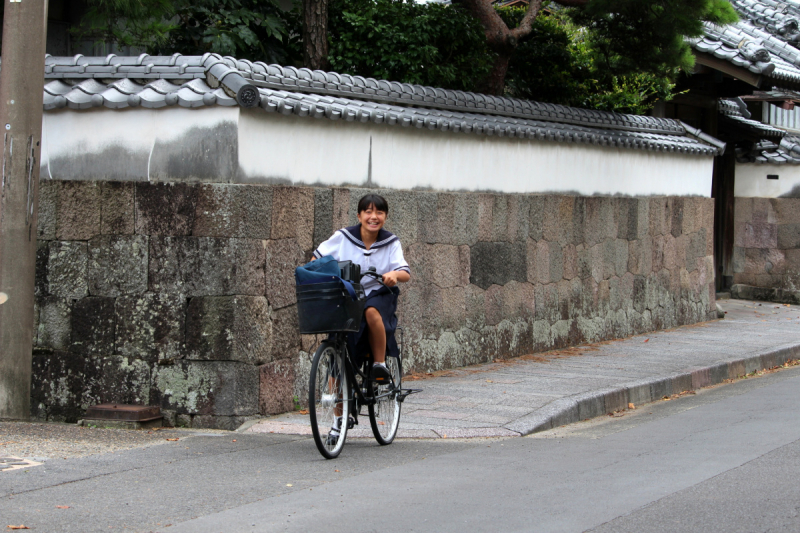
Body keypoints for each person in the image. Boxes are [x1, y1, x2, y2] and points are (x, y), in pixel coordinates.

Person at [312, 194, 410, 443]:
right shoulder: (343, 237)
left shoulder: (390, 242)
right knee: (337, 355)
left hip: (379, 293)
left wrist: (393, 275)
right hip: (348, 296)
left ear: (385, 217)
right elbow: (317, 258)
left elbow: (405, 272)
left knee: (371, 311)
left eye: (378, 212)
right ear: (359, 216)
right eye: (367, 211)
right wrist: (316, 271)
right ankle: (338, 421)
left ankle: (379, 365)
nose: (373, 217)